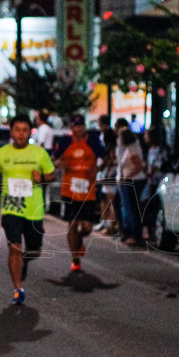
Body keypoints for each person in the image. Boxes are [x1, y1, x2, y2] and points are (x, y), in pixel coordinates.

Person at [0, 114, 55, 305]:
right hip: (11, 208)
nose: (20, 134)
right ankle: (18, 289)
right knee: (15, 248)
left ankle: (24, 261)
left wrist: (41, 178)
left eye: (24, 130)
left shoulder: (39, 153)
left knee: (35, 250)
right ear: (11, 132)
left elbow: (51, 175)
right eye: (17, 130)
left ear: (30, 132)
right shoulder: (2, 153)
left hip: (34, 209)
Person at [53, 115, 104, 272]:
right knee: (73, 223)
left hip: (88, 190)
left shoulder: (93, 140)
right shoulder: (64, 142)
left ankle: (79, 241)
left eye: (81, 125)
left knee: (87, 227)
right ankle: (75, 259)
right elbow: (53, 160)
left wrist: (98, 169)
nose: (79, 128)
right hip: (69, 190)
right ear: (71, 127)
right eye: (75, 126)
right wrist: (59, 164)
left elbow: (107, 158)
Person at [117, 129, 147, 246]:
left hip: (134, 181)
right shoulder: (131, 147)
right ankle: (130, 233)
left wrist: (126, 177)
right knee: (129, 208)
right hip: (131, 181)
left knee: (132, 209)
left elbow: (139, 166)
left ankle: (135, 235)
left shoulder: (132, 149)